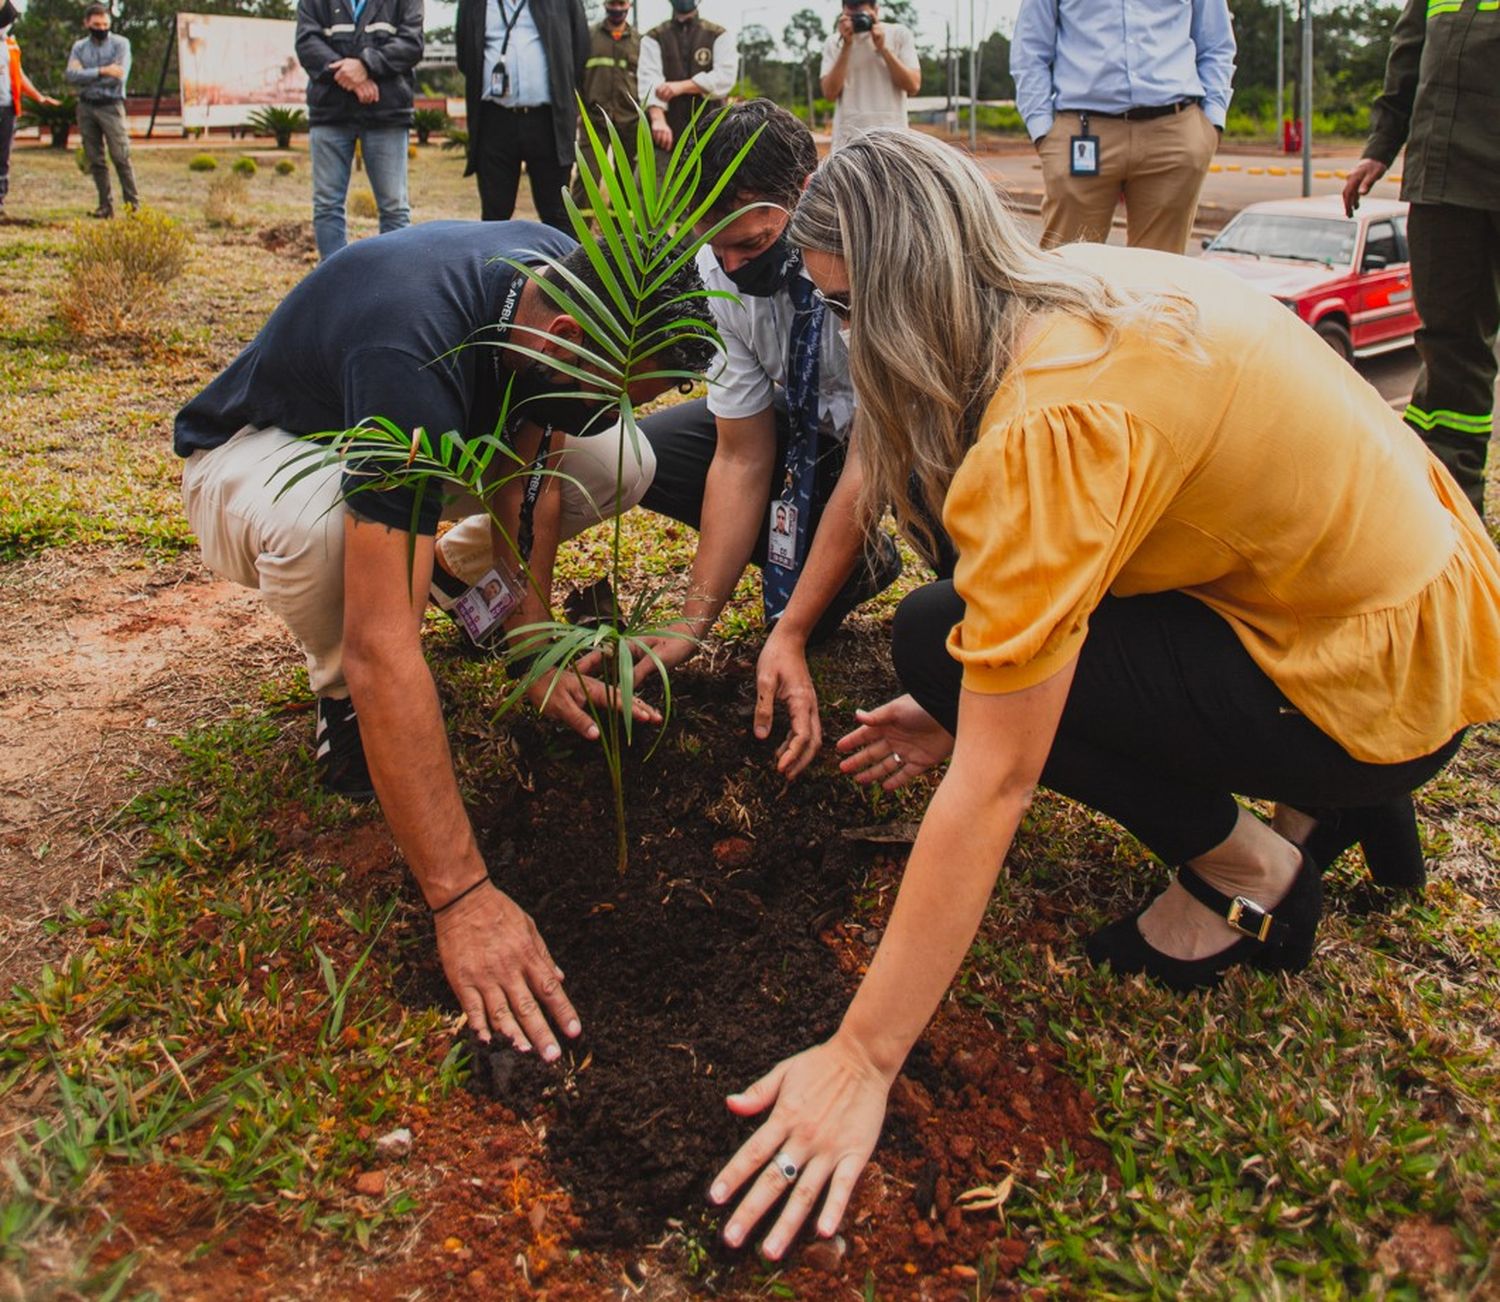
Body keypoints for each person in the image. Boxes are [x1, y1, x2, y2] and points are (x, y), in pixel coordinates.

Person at [704, 131, 1500, 1260]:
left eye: (839, 310)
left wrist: (862, 1058)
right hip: (1392, 605)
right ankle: (1337, 782)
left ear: (893, 301)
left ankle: (1255, 868)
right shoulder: (1084, 280)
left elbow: (998, 781)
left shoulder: (1051, 424)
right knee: (961, 649)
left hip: (1365, 682)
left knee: (942, 634)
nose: (836, 335)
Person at [173, 220, 714, 1056]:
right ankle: (341, 702)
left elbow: (529, 442)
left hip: (412, 446)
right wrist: (462, 898)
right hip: (268, 455)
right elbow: (387, 648)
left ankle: (454, 574)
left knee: (621, 461)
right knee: (333, 545)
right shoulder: (410, 352)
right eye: (618, 389)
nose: (613, 408)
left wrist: (531, 634)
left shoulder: (551, 283)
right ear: (566, 336)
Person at [435, 101, 910, 773]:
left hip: (890, 441)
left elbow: (874, 460)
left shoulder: (869, 255)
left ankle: (857, 578)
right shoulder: (718, 272)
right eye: (718, 245)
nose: (733, 263)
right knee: (644, 453)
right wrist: (692, 623)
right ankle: (461, 564)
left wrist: (793, 630)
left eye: (754, 243)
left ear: (807, 195)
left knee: (913, 485)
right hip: (792, 427)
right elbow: (743, 454)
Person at [1342, 0, 1498, 518]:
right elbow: (1406, 61)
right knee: (1450, 350)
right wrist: (1379, 148)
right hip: (1444, 184)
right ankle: (1449, 504)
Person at [1010, 0, 1235, 252]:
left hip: (1173, 133)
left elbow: (1217, 45)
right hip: (1081, 135)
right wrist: (1043, 132)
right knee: (1069, 272)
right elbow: (1029, 50)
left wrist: (1211, 124)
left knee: (1161, 275)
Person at [295, 0, 422, 261]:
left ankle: (391, 284)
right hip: (330, 112)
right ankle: (335, 286)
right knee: (327, 206)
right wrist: (353, 79)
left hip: (386, 111)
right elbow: (307, 42)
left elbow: (412, 43)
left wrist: (366, 65)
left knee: (394, 207)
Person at [456, 0, 588, 229]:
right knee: (494, 215)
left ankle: (565, 265)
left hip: (548, 121)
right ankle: (497, 266)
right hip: (494, 121)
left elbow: (580, 50)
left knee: (557, 214)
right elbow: (466, 55)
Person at [64, 3, 137, 219]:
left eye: (105, 24)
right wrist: (104, 70)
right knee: (95, 158)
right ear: (87, 23)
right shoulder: (79, 47)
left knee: (120, 156)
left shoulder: (121, 44)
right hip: (86, 106)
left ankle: (133, 206)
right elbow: (71, 75)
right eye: (96, 24)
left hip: (111, 106)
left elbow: (120, 77)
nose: (101, 28)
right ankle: (105, 206)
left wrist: (86, 75)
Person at [818, 0, 919, 152]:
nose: (858, 22)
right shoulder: (833, 43)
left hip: (893, 141)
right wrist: (846, 46)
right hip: (848, 143)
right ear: (843, 13)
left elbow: (913, 86)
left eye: (861, 15)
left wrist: (883, 48)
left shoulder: (899, 34)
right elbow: (830, 93)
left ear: (876, 11)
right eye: (853, 17)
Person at [638, 0, 736, 154]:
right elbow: (649, 79)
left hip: (710, 134)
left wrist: (680, 87)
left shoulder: (718, 34)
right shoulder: (654, 37)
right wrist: (658, 120)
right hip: (666, 138)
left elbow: (725, 78)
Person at [570, 0, 639, 215]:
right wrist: (577, 109)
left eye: (622, 3)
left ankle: (620, 240)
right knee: (587, 176)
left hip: (630, 121)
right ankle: (576, 237)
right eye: (612, 3)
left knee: (626, 183)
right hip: (594, 119)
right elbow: (575, 75)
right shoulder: (587, 37)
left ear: (629, 4)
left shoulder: (640, 41)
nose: (617, 8)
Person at [2, 3, 60, 221]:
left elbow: (19, 75)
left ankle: (0, 201)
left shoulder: (10, 45)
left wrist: (39, 97)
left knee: (3, 156)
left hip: (7, 106)